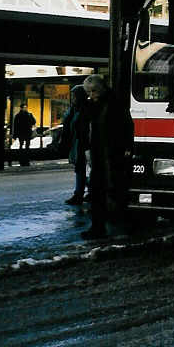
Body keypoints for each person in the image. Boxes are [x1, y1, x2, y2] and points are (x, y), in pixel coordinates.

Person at [81, 74, 134, 239]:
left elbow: (126, 127)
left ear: (101, 88)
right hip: (102, 154)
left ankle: (108, 224)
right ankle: (100, 226)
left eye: (93, 91)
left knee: (111, 190)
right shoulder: (98, 104)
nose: (91, 95)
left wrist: (126, 148)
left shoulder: (114, 103)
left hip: (111, 153)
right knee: (100, 190)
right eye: (88, 92)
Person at [60, 85, 91, 205]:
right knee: (80, 168)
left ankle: (80, 193)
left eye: (74, 96)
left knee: (81, 168)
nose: (72, 98)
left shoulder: (84, 109)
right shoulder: (74, 109)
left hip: (83, 143)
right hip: (76, 142)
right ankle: (85, 191)